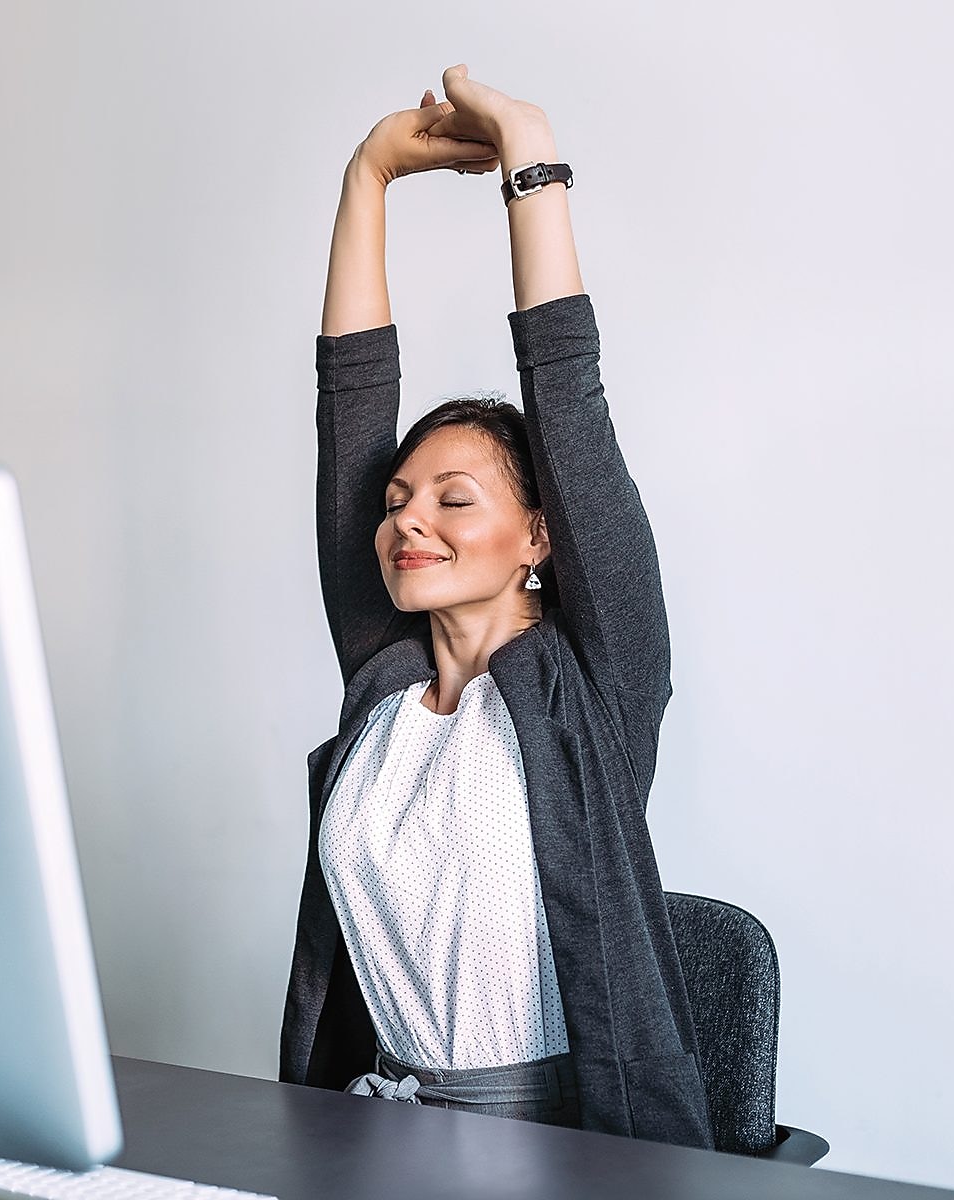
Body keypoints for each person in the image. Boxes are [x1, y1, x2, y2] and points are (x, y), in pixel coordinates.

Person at [279, 63, 714, 1149]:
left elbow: (568, 395)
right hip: (374, 1139)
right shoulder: (382, 683)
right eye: (396, 504)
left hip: (567, 1150)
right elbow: (350, 409)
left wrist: (526, 147)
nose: (407, 522)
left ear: (538, 537)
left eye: (454, 499)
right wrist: (366, 177)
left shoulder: (592, 689)